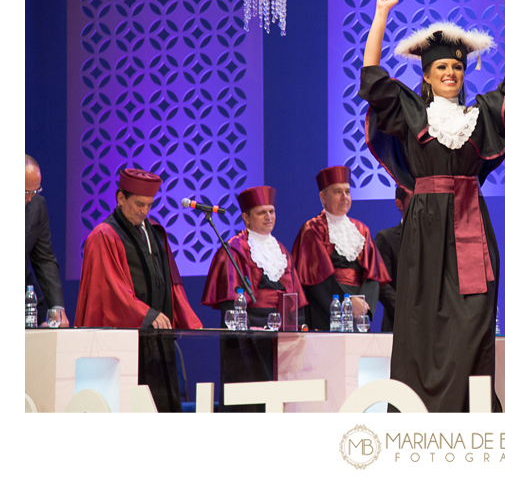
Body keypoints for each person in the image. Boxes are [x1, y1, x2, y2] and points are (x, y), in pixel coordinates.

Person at [358, 0, 505, 412]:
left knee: (473, 325)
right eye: (440, 68)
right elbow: (372, 77)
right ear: (425, 74)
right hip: (423, 229)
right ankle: (417, 419)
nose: (450, 74)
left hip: (471, 229)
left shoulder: (479, 115)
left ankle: (468, 417)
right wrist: (381, 14)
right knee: (420, 327)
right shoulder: (410, 111)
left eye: (456, 69)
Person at [75, 168, 202, 412]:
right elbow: (109, 290)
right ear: (120, 198)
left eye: (149, 205)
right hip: (128, 338)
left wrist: (181, 317)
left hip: (157, 338)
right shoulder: (104, 236)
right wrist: (146, 315)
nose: (144, 211)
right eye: (138, 204)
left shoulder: (155, 232)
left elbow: (169, 282)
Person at [202, 185, 307, 411]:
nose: (269, 217)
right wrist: (246, 332)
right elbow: (231, 304)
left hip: (279, 337)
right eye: (261, 212)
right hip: (246, 337)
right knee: (249, 401)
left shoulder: (281, 250)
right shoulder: (234, 248)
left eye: (271, 211)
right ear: (246, 218)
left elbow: (295, 296)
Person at [291, 166, 392, 331]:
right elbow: (318, 279)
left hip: (359, 314)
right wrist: (348, 303)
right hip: (325, 310)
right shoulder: (312, 229)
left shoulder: (361, 230)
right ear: (323, 197)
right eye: (338, 192)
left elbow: (372, 275)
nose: (344, 197)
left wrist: (363, 306)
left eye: (347, 192)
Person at [25, 154, 68, 327]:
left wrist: (57, 307)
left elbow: (44, 259)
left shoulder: (37, 206)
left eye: (35, 191)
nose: (29, 198)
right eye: (25, 192)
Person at [373, 185, 411, 333]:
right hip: (399, 325)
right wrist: (406, 312)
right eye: (413, 199)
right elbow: (382, 285)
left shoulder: (436, 238)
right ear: (399, 203)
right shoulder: (387, 238)